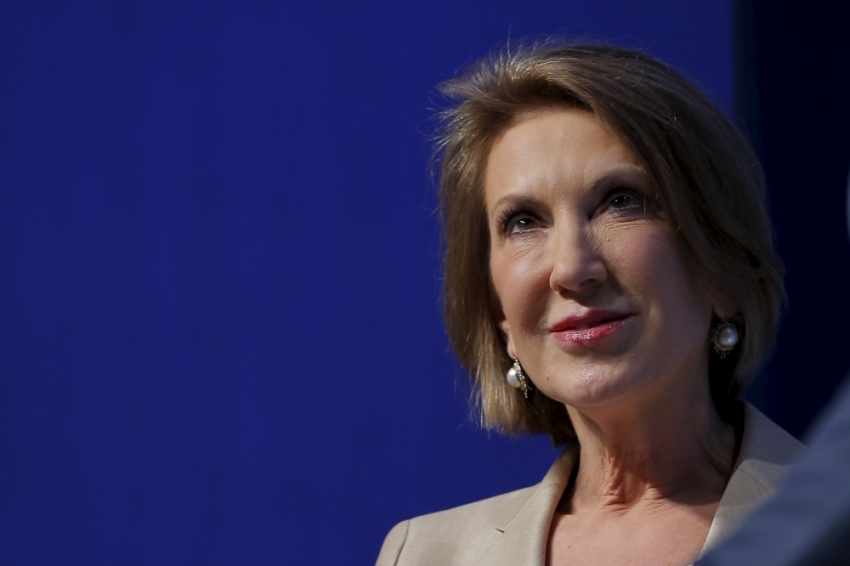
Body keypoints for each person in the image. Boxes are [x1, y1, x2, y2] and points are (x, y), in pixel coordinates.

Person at [376, 43, 803, 565]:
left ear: (722, 266)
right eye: (524, 222)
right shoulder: (424, 554)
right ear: (500, 316)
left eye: (620, 201)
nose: (573, 269)